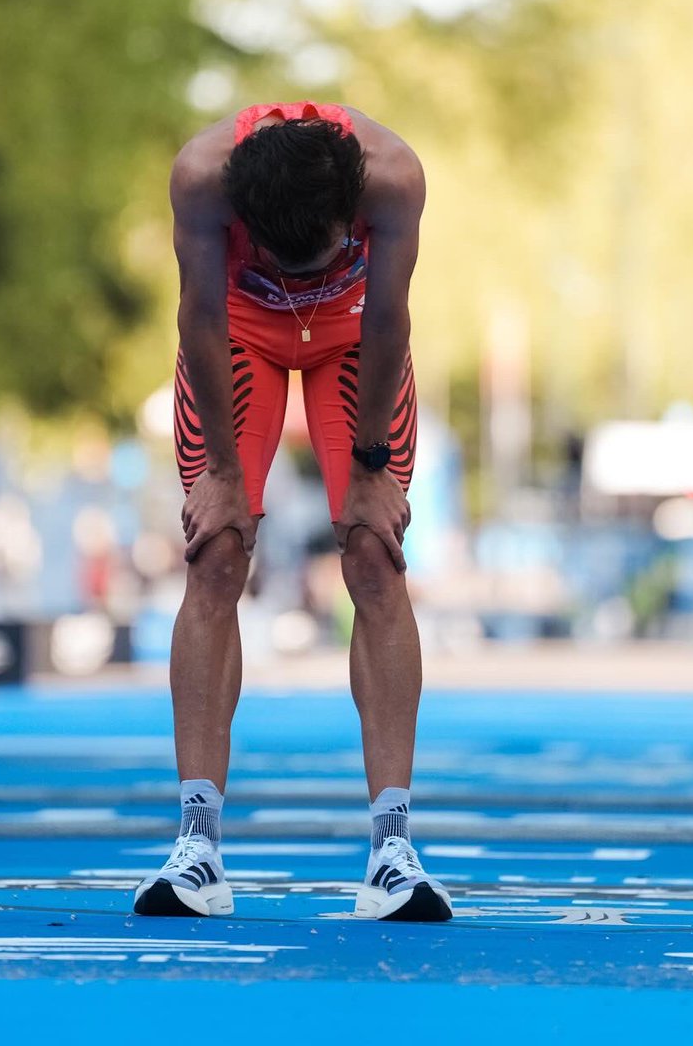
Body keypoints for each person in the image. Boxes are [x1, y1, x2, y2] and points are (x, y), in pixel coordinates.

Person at [133, 101, 451, 922]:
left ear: (351, 215)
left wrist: (375, 469)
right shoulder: (202, 179)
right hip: (242, 331)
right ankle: (197, 845)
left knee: (374, 555)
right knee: (217, 551)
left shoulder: (395, 178)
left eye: (320, 257)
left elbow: (388, 320)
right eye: (285, 260)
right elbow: (200, 319)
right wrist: (228, 477)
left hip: (352, 334)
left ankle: (393, 851)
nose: (302, 274)